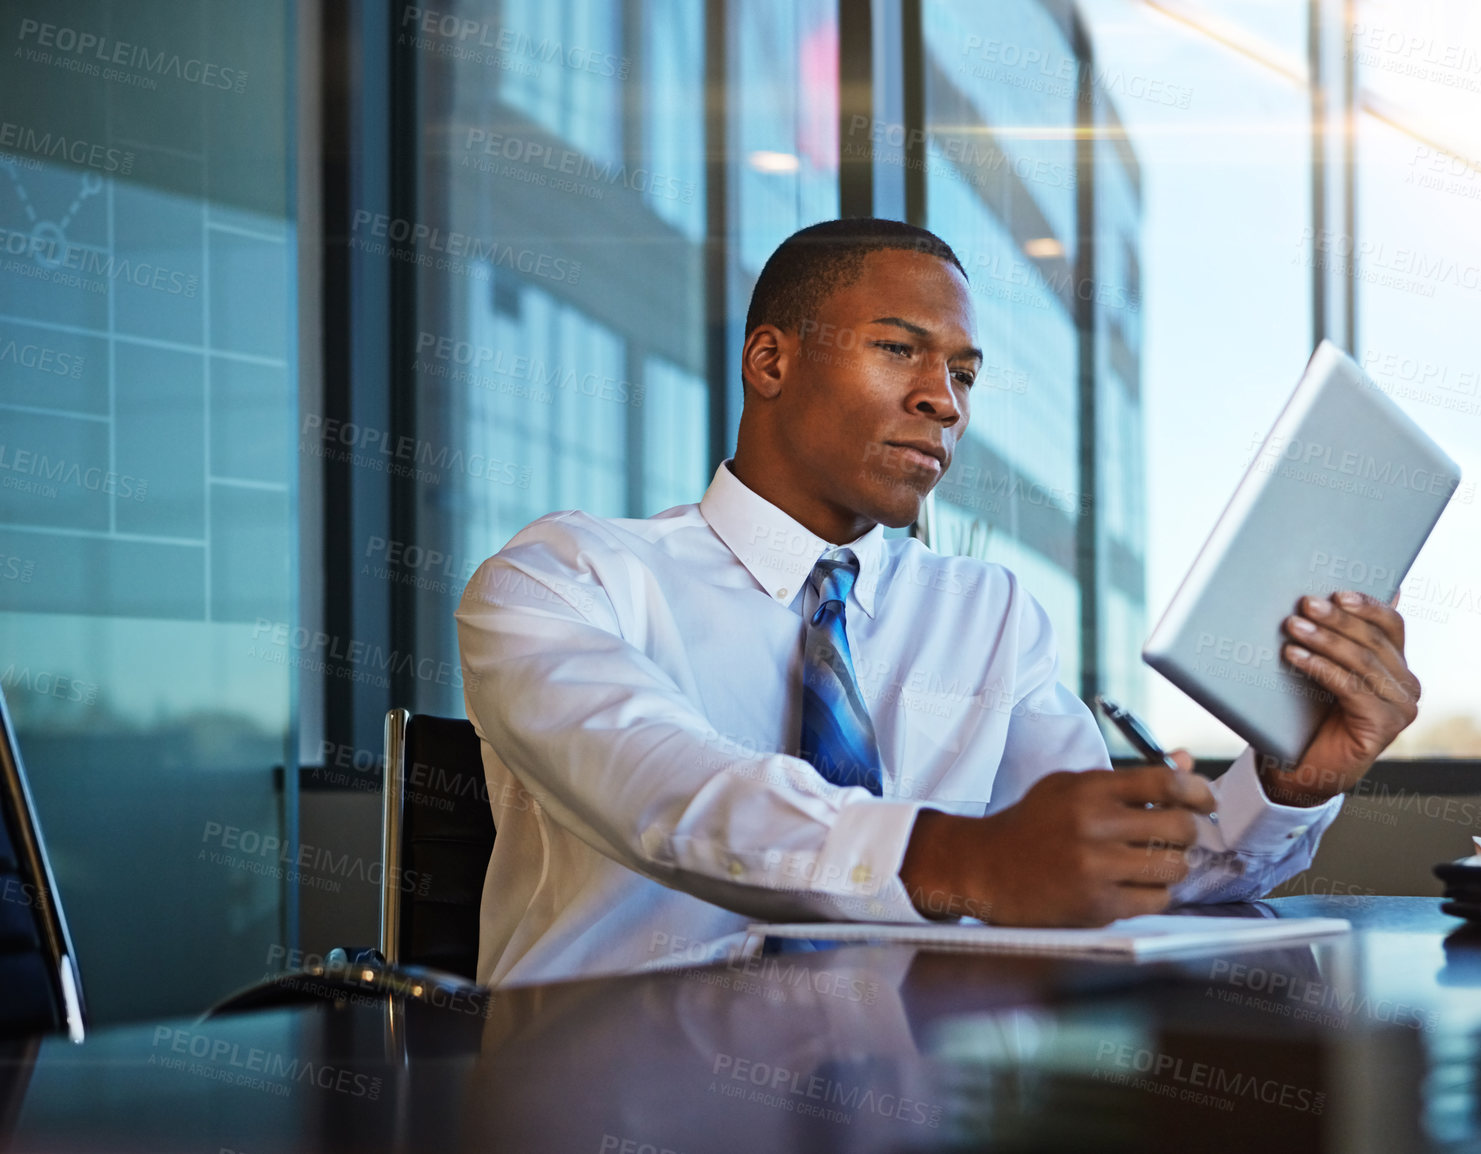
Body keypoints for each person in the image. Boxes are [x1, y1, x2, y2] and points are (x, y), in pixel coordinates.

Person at [456, 219, 1422, 987]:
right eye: (898, 351)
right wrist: (964, 857)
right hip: (602, 1088)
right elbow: (677, 795)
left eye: (962, 373)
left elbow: (1110, 866)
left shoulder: (990, 612)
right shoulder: (563, 580)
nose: (945, 401)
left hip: (909, 1086)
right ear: (770, 363)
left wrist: (1290, 780)